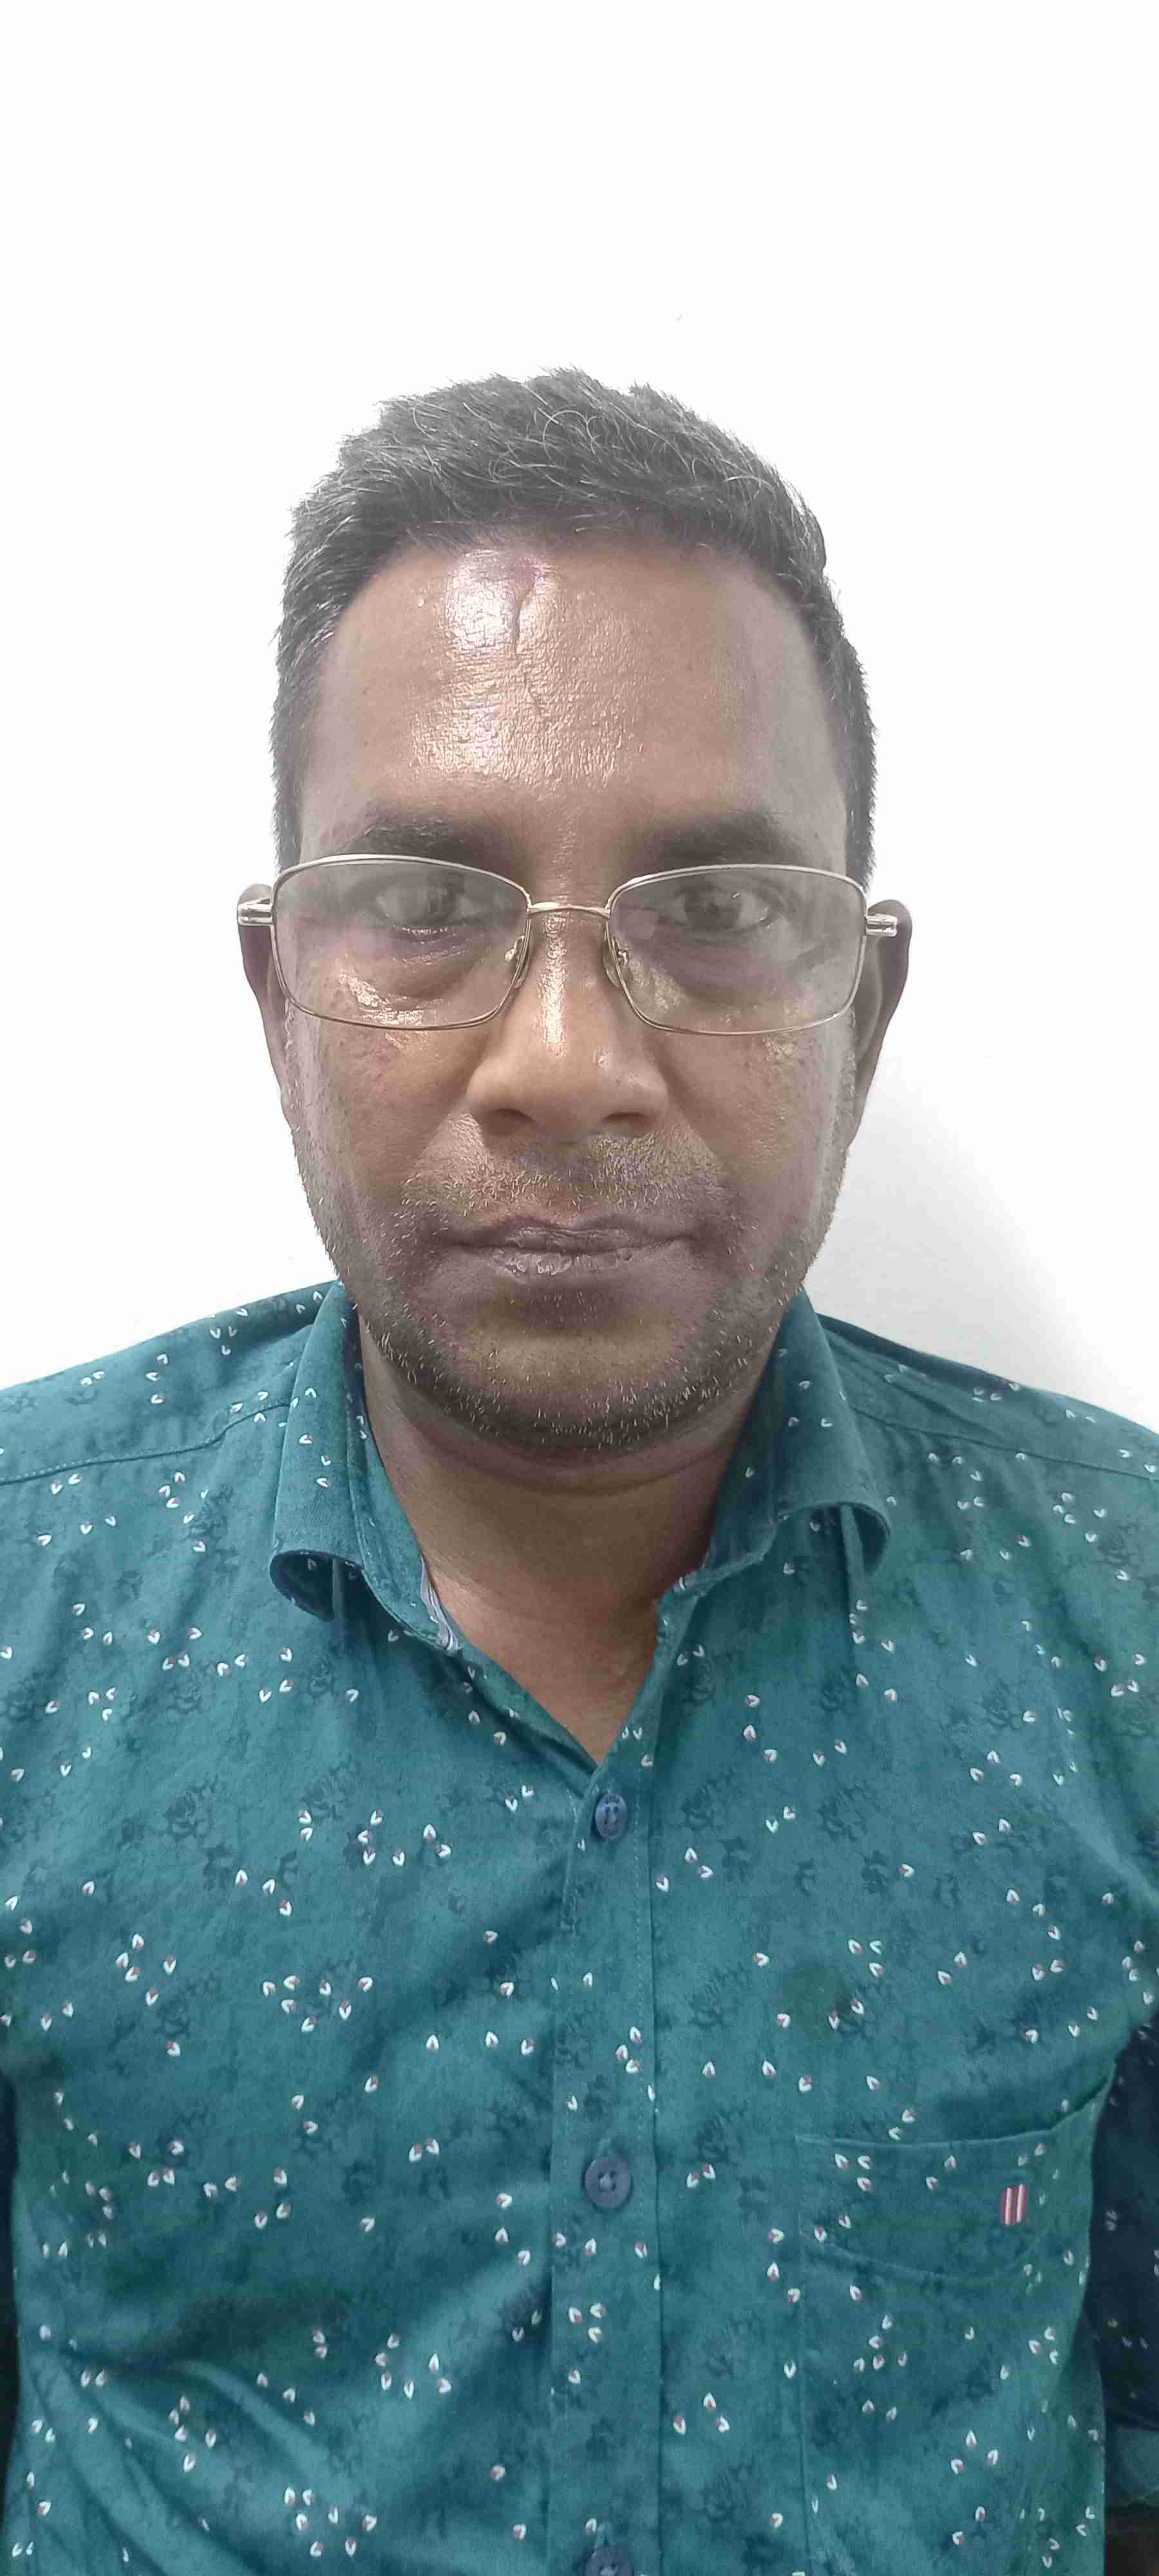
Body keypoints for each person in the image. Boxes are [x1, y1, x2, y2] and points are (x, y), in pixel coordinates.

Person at [1, 368, 1155, 2576]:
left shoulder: (1126, 1620)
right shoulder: (22, 1601)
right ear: (278, 993)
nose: (563, 1062)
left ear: (864, 1011)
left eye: (715, 910)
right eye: (427, 900)